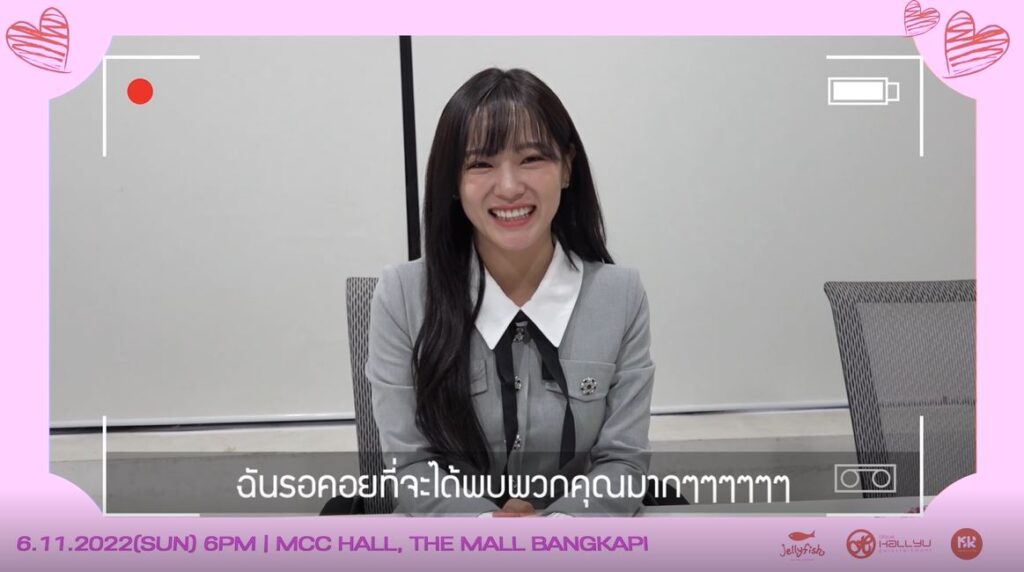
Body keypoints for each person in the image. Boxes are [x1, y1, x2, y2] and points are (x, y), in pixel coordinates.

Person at [367, 67, 655, 516]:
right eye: (480, 164)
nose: (508, 187)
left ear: (567, 167)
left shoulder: (621, 297)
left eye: (532, 158)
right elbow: (410, 466)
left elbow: (623, 463)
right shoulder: (402, 297)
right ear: (453, 183)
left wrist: (551, 533)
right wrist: (490, 530)